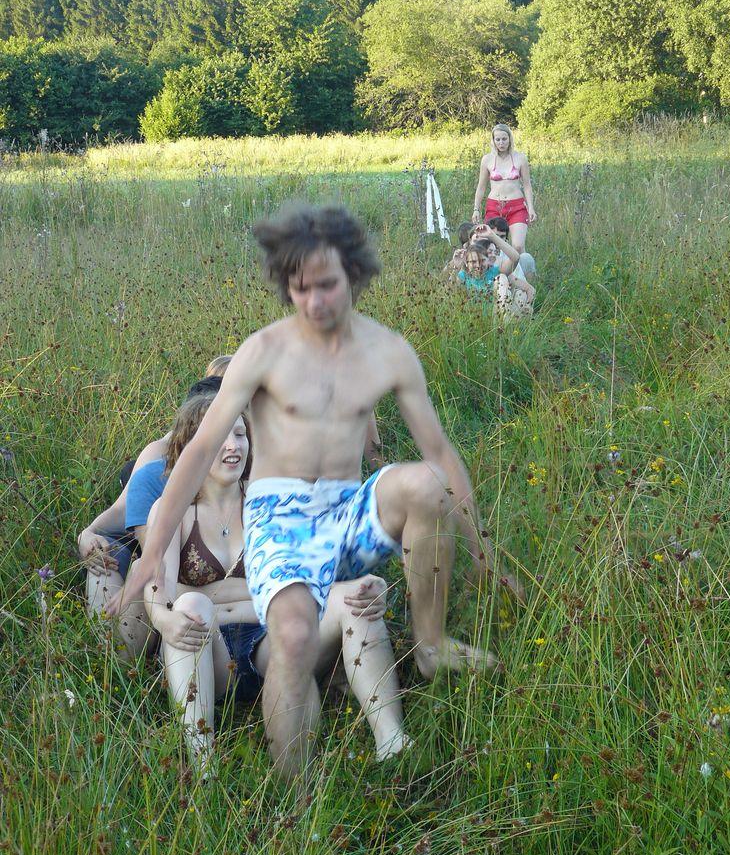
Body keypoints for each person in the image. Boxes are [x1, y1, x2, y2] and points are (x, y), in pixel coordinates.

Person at [110, 204, 523, 780]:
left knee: (426, 483)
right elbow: (198, 451)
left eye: (326, 284)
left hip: (340, 513)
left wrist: (480, 552)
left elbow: (439, 452)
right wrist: (152, 555)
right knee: (291, 627)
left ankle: (426, 651)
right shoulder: (261, 354)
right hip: (276, 533)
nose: (313, 301)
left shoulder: (387, 353)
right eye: (299, 289)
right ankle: (289, 791)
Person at [144, 392, 407, 773]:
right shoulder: (173, 509)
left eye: (240, 434)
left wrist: (367, 585)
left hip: (272, 645)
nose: (233, 446)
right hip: (209, 654)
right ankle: (203, 764)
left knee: (353, 598)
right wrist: (163, 617)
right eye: (221, 436)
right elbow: (159, 587)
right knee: (189, 606)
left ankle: (392, 741)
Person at [78, 372, 224, 658]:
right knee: (128, 568)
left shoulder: (249, 474)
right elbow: (162, 565)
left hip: (192, 583)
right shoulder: (154, 474)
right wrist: (86, 534)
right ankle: (112, 658)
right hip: (155, 569)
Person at [472, 124, 536, 254]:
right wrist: (476, 209)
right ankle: (500, 267)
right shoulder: (487, 159)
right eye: (498, 139)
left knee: (518, 246)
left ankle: (524, 267)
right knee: (492, 246)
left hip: (517, 207)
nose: (501, 143)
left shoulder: (520, 158)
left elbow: (527, 186)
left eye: (504, 139)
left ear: (510, 139)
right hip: (494, 207)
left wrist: (531, 207)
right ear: (493, 141)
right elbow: (481, 187)